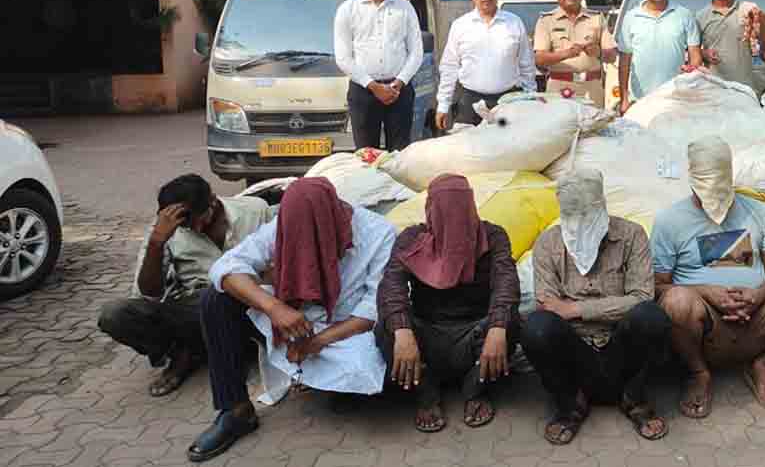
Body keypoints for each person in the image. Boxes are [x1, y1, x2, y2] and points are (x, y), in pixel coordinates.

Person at [186, 178, 395, 463]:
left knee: (367, 365)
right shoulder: (283, 224)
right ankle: (235, 410)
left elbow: (373, 310)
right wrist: (273, 308)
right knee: (217, 298)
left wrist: (316, 342)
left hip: (344, 331)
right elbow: (225, 266)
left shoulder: (379, 233)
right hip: (291, 320)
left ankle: (332, 386)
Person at [652, 136, 765, 419]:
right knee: (676, 303)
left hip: (759, 312)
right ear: (691, 179)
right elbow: (659, 285)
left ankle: (763, 365)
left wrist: (759, 294)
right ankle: (699, 373)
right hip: (705, 320)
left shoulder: (758, 212)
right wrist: (706, 292)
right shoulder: (669, 221)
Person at [522, 170, 671, 445]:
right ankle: (570, 404)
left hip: (621, 348)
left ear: (602, 205)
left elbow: (641, 297)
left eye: (586, 216)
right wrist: (609, 308)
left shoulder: (632, 235)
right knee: (537, 327)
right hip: (575, 354)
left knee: (651, 317)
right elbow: (549, 307)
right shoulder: (548, 243)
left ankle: (634, 398)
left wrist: (575, 309)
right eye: (572, 215)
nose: (580, 224)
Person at [98, 175, 271, 398]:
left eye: (197, 218)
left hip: (256, 303)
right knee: (115, 315)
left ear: (213, 201)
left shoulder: (255, 210)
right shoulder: (165, 231)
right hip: (198, 311)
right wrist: (156, 243)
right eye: (185, 223)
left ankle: (245, 353)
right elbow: (150, 293)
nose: (194, 228)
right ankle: (182, 352)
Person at [375, 174, 520, 433]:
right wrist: (402, 331)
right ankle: (427, 394)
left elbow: (506, 286)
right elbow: (391, 287)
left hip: (476, 335)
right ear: (430, 208)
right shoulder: (411, 238)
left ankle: (475, 389)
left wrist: (498, 328)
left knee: (511, 321)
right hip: (426, 338)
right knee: (385, 327)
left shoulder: (493, 235)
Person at [334, 0, 424, 150]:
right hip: (364, 92)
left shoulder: (405, 8)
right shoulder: (347, 10)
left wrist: (398, 83)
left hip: (399, 91)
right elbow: (343, 57)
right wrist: (373, 86)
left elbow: (416, 51)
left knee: (400, 154)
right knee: (366, 154)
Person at [436, 0, 537, 129]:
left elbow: (527, 65)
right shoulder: (460, 25)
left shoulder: (514, 23)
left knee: (506, 148)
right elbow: (449, 67)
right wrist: (443, 104)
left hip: (506, 102)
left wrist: (530, 98)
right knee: (469, 150)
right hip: (469, 102)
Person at [615, 0, 702, 115]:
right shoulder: (631, 18)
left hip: (675, 98)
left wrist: (691, 90)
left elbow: (695, 56)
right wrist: (624, 99)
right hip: (640, 99)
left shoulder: (684, 15)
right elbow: (625, 60)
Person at [533, 0, 618, 105]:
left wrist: (599, 53)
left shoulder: (596, 18)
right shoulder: (546, 21)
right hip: (559, 89)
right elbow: (539, 59)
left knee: (594, 126)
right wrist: (566, 54)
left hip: (592, 89)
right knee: (562, 126)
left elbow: (612, 55)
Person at [695, 0, 765, 93]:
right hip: (714, 89)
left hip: (745, 89)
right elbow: (691, 53)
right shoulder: (700, 17)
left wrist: (761, 17)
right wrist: (703, 53)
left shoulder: (748, 10)